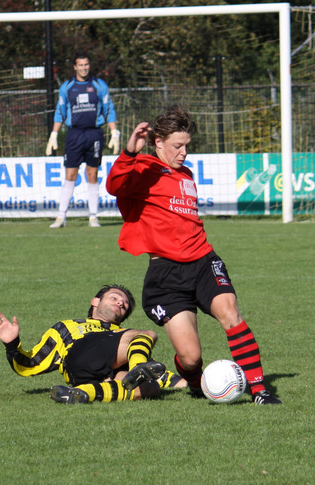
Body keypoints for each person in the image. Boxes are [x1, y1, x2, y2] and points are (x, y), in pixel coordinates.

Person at [105, 105, 282, 405]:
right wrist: (129, 153)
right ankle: (197, 381)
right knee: (190, 357)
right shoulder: (144, 168)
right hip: (166, 275)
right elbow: (114, 186)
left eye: (187, 145)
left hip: (203, 262)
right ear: (158, 142)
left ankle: (259, 390)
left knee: (230, 313)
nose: (184, 152)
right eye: (177, 146)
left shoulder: (185, 174)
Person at [0, 284, 185, 404]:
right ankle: (136, 370)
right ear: (95, 302)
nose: (120, 303)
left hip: (90, 375)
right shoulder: (68, 326)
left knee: (150, 388)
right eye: (114, 298)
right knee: (148, 334)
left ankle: (83, 393)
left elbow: (157, 372)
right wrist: (12, 344)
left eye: (124, 305)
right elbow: (30, 364)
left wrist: (192, 383)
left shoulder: (123, 337)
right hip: (80, 354)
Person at [45, 53, 120, 229]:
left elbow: (109, 109)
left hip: (94, 134)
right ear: (75, 67)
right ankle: (61, 216)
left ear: (89, 66)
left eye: (86, 65)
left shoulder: (99, 85)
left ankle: (93, 217)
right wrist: (54, 134)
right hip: (74, 135)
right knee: (70, 174)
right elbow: (60, 111)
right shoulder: (67, 87)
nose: (84, 68)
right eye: (80, 65)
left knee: (92, 174)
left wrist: (114, 132)